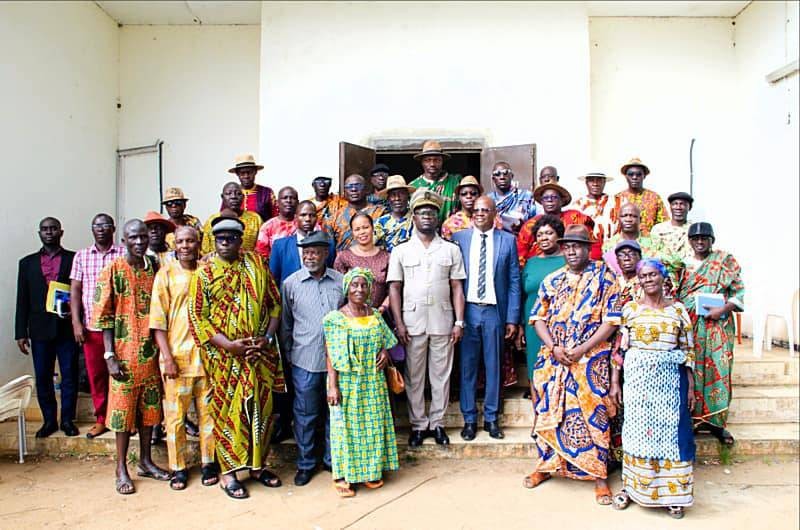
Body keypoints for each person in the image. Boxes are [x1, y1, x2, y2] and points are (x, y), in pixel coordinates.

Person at [188, 216, 285, 500]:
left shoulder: (256, 265)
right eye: (221, 239)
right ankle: (228, 473)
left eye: (232, 238)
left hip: (259, 356)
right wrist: (230, 346)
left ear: (240, 240)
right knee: (227, 413)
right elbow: (197, 317)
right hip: (224, 360)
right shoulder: (204, 273)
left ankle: (257, 466)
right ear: (214, 241)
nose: (226, 243)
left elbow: (274, 304)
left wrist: (266, 340)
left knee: (261, 412)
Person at [522, 224, 620, 506]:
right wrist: (554, 346)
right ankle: (546, 466)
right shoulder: (552, 280)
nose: (572, 250)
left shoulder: (604, 276)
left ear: (588, 249)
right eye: (567, 246)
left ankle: (599, 477)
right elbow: (537, 317)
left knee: (595, 414)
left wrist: (582, 349)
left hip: (591, 359)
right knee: (549, 410)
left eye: (578, 246)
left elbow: (611, 321)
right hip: (555, 358)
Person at [610, 258, 696, 519]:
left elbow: (688, 350)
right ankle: (633, 489)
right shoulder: (630, 310)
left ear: (663, 278)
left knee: (671, 436)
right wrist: (615, 382)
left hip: (670, 383)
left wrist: (691, 386)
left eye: (652, 275)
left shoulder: (678, 311)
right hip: (637, 384)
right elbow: (619, 350)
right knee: (637, 433)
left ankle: (674, 495)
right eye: (642, 276)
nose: (647, 280)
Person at [92, 219, 170, 494]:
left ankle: (146, 462)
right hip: (123, 357)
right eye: (133, 238)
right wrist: (109, 355)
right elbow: (104, 316)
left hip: (150, 354)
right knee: (122, 415)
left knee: (150, 413)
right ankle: (121, 468)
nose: (139, 242)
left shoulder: (154, 267)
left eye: (143, 237)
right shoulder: (112, 269)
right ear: (123, 241)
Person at [387, 190, 466, 447]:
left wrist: (459, 322)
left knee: (441, 375)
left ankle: (438, 424)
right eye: (422, 213)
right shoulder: (400, 251)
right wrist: (398, 323)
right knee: (415, 376)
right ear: (414, 217)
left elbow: (457, 287)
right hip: (412, 323)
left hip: (443, 320)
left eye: (431, 213)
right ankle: (419, 425)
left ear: (437, 217)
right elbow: (395, 288)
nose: (427, 217)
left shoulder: (451, 249)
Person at [149, 226, 217, 491]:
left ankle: (208, 462)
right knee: (175, 418)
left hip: (208, 359)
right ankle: (178, 467)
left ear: (198, 242)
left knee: (208, 416)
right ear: (174, 244)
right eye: (181, 241)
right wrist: (166, 357)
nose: (186, 245)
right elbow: (158, 321)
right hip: (177, 358)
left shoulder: (208, 272)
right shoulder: (165, 275)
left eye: (190, 240)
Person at [324, 268, 399, 497]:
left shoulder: (375, 315)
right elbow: (331, 354)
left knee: (373, 425)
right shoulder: (336, 319)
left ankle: (370, 471)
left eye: (363, 285)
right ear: (347, 289)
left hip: (373, 381)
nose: (359, 289)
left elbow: (385, 340)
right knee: (346, 428)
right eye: (354, 285)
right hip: (349, 382)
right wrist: (333, 386)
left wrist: (385, 352)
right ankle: (344, 476)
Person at [451, 197, 521, 441]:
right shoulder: (459, 239)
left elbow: (514, 281)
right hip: (467, 311)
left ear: (494, 213)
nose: (480, 213)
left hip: (494, 311)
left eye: (485, 210)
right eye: (477, 210)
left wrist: (512, 318)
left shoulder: (508, 241)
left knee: (494, 367)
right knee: (467, 367)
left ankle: (491, 419)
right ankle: (469, 420)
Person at [280, 231, 344, 487]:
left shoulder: (340, 281)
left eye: (315, 252)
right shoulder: (291, 284)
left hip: (337, 364)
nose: (309, 256)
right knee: (305, 414)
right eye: (305, 252)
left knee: (334, 413)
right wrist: (289, 356)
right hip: (304, 360)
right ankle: (306, 464)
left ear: (326, 253)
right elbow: (286, 324)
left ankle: (332, 460)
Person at [676, 222, 744, 447]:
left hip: (718, 327)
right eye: (695, 238)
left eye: (705, 238)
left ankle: (717, 423)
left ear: (712, 240)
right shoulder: (681, 264)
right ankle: (694, 420)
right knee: (692, 370)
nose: (700, 241)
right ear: (689, 241)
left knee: (718, 370)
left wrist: (722, 310)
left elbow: (738, 291)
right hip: (690, 326)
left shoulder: (724, 261)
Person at [15, 217, 78, 438]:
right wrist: (20, 332)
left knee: (70, 375)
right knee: (43, 376)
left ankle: (68, 420)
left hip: (67, 327)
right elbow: (22, 299)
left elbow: (81, 292)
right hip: (39, 329)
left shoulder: (73, 259)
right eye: (44, 229)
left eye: (53, 229)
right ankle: (49, 420)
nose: (49, 232)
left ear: (61, 232)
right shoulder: (27, 263)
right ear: (39, 233)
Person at [70, 213, 126, 439]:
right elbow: (75, 290)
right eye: (96, 226)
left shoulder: (123, 253)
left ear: (113, 229)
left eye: (105, 225)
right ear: (92, 229)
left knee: (121, 374)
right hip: (92, 327)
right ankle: (102, 418)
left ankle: (122, 418)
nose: (101, 229)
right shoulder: (81, 256)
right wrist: (76, 321)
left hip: (121, 328)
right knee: (97, 375)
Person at [516, 215, 565, 386]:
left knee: (559, 373)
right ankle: (538, 412)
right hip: (534, 327)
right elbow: (523, 294)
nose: (544, 238)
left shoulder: (568, 261)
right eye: (540, 234)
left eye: (549, 233)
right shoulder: (530, 263)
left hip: (561, 326)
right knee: (535, 371)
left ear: (558, 235)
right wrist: (521, 325)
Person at [607, 239, 643, 468]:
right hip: (611, 349)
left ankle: (636, 457)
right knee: (614, 405)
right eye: (622, 254)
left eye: (631, 253)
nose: (626, 257)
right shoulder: (611, 283)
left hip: (638, 350)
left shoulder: (647, 281)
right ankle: (616, 457)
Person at [517, 183, 598, 264]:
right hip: (539, 265)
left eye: (554, 197)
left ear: (562, 200)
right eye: (545, 198)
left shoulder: (576, 217)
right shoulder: (531, 224)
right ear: (541, 202)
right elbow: (521, 251)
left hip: (574, 265)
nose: (550, 200)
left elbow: (592, 244)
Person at [334, 213, 391, 312]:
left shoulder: (386, 257)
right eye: (357, 229)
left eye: (365, 227)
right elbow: (337, 290)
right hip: (352, 316)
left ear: (373, 228)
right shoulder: (343, 257)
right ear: (352, 233)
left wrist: (382, 309)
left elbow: (393, 290)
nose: (362, 232)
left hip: (380, 315)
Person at [270, 200, 335, 286]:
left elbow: (330, 272)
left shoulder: (328, 244)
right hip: (289, 296)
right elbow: (273, 278)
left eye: (312, 215)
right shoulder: (280, 245)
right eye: (303, 215)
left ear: (316, 218)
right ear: (296, 217)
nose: (307, 219)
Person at [325, 174, 386, 251]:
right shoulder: (334, 218)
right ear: (344, 191)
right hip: (343, 262)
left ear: (366, 189)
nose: (353, 189)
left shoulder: (381, 213)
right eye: (349, 187)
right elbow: (329, 251)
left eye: (358, 185)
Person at [610, 158, 669, 236]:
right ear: (626, 176)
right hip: (624, 244)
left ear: (644, 176)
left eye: (638, 174)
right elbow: (612, 224)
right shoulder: (617, 199)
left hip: (649, 243)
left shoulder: (654, 198)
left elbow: (663, 225)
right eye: (631, 174)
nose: (634, 177)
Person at [201, 182, 262, 255]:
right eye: (228, 193)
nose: (233, 197)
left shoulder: (255, 219)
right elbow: (206, 251)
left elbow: (261, 249)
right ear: (222, 197)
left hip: (248, 264)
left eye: (238, 194)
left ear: (243, 197)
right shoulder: (212, 221)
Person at [408, 140, 462, 222]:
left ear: (442, 161)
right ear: (422, 162)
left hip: (453, 232)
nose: (432, 164)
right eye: (428, 160)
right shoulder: (413, 186)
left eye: (436, 160)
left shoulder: (455, 182)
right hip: (424, 232)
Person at [602, 203, 660, 275]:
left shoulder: (655, 241)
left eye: (633, 216)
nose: (628, 219)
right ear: (618, 219)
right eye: (624, 216)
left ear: (640, 219)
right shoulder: (609, 244)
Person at [442, 175, 502, 240]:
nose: (468, 197)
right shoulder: (449, 223)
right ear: (459, 197)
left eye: (473, 193)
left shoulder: (493, 218)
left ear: (479, 195)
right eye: (464, 194)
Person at [487, 161, 536, 234]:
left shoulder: (525, 196)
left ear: (512, 176)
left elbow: (534, 220)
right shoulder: (488, 199)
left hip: (521, 239)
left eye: (505, 173)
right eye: (497, 174)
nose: (502, 177)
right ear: (493, 178)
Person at [226, 153, 277, 222]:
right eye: (242, 173)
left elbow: (276, 218)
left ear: (255, 172)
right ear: (237, 174)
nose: (246, 176)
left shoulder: (267, 193)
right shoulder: (230, 194)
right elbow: (223, 216)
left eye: (249, 172)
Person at [575, 171, 614, 254]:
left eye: (599, 180)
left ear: (604, 182)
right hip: (587, 253)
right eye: (591, 180)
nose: (595, 184)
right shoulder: (577, 206)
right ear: (586, 183)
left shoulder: (616, 202)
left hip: (612, 251)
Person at [255, 186, 299, 260]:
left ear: (298, 203)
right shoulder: (267, 227)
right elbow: (261, 255)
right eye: (285, 198)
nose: (288, 200)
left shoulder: (305, 223)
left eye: (292, 198)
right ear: (277, 203)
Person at [374, 175, 415, 252]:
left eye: (401, 194)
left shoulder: (416, 219)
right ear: (388, 198)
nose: (397, 198)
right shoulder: (381, 222)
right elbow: (370, 247)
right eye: (393, 195)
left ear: (407, 196)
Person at [651, 191, 694, 264]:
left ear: (689, 207)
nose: (678, 207)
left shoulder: (694, 229)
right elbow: (653, 253)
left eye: (682, 204)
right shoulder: (658, 229)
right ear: (670, 207)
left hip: (689, 269)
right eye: (675, 204)